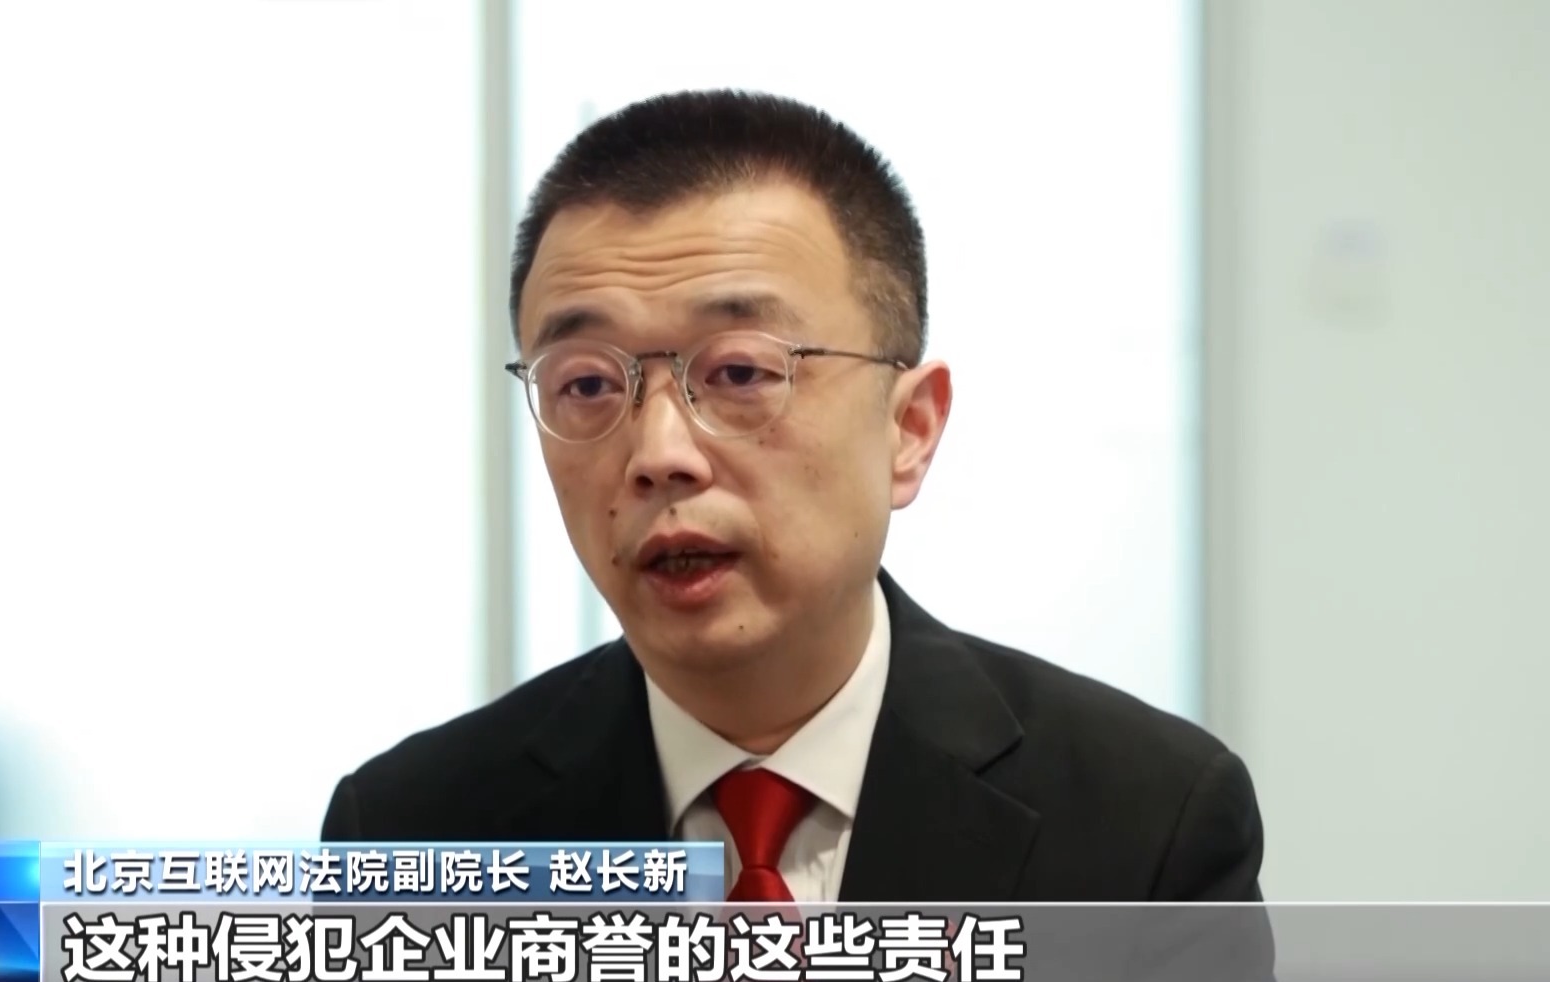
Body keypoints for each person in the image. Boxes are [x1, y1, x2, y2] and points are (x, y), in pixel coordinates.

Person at [322, 89, 1264, 905]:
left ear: (909, 428)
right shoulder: (413, 836)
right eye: (589, 384)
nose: (659, 454)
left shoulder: (1147, 824)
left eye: (738, 372)